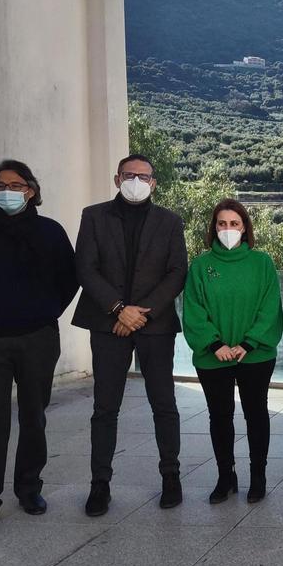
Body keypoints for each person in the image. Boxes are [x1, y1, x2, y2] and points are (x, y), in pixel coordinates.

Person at [0, 160, 78, 535]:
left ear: (32, 190)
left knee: (33, 416)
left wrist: (45, 311)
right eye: (1, 185)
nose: (8, 191)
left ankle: (29, 489)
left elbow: (69, 280)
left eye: (17, 184)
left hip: (38, 337)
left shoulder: (51, 232)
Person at [72, 154, 187, 516]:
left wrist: (140, 312)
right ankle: (100, 485)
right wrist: (119, 309)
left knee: (164, 404)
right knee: (105, 408)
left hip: (154, 325)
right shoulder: (94, 216)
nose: (136, 180)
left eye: (143, 176)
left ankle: (171, 478)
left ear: (154, 183)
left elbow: (177, 272)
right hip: (108, 323)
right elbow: (85, 267)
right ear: (117, 177)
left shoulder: (169, 221)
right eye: (129, 175)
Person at [183, 199, 283, 504]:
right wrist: (215, 344)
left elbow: (270, 307)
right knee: (220, 417)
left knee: (256, 415)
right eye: (222, 224)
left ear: (245, 227)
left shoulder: (262, 263)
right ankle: (225, 477)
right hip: (212, 356)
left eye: (234, 224)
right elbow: (193, 309)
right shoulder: (201, 265)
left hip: (255, 355)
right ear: (214, 227)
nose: (228, 229)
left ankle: (258, 476)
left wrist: (248, 343)